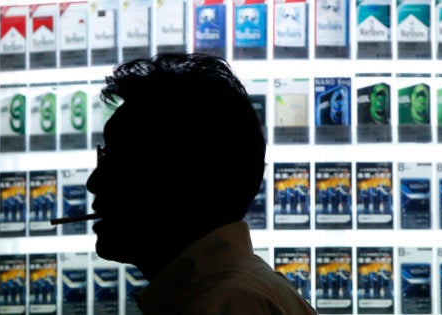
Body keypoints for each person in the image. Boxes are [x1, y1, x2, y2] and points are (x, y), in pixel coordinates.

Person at [85, 53, 318, 315]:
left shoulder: (225, 304)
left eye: (118, 158)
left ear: (184, 177)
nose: (94, 182)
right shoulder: (243, 289)